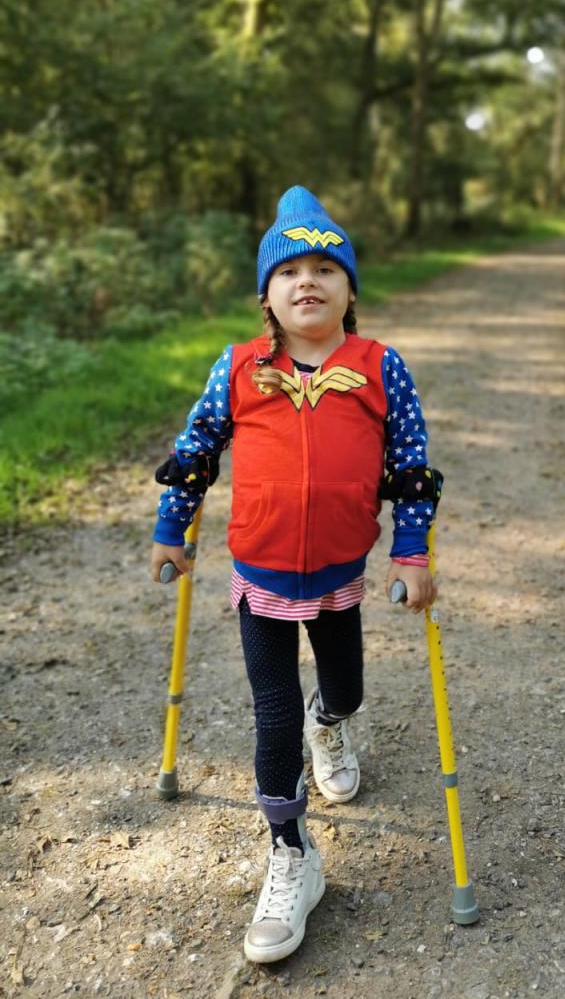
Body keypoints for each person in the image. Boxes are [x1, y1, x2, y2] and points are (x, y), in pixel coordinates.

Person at [149, 185, 439, 964]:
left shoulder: (380, 367)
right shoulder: (240, 366)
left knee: (344, 687)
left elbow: (411, 467)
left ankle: (333, 722)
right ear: (265, 298)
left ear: (350, 290)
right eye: (288, 272)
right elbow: (196, 449)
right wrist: (172, 529)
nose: (305, 281)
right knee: (269, 715)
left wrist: (411, 552)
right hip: (261, 572)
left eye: (324, 268)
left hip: (342, 571)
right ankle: (291, 852)